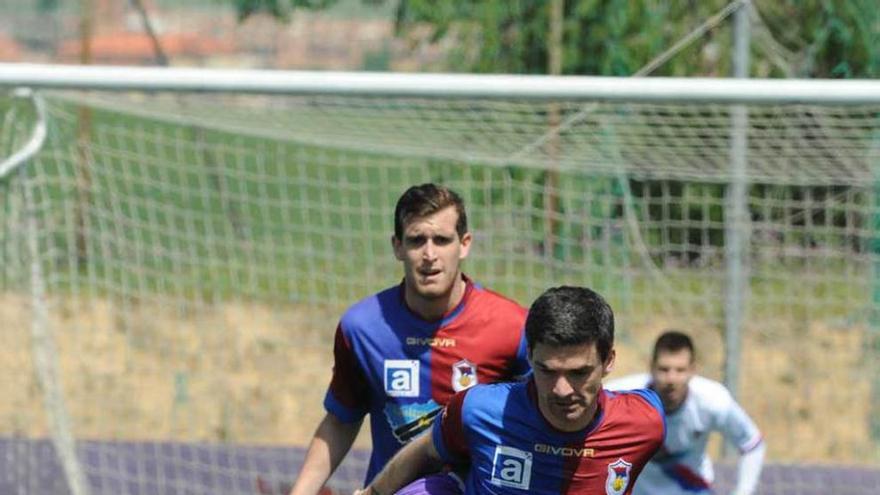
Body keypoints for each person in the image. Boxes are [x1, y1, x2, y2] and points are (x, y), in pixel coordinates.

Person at [289, 183, 531, 495]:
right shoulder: (362, 328)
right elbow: (341, 420)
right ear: (398, 246)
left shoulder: (512, 326)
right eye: (417, 240)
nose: (430, 254)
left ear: (464, 244)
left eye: (442, 240)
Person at [356, 286, 666, 495]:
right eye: (547, 370)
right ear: (529, 355)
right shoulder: (479, 410)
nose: (561, 390)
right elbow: (428, 449)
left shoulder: (645, 423)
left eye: (579, 372)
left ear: (609, 361)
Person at [605, 330, 765, 495]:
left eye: (680, 370)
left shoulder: (713, 402)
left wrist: (743, 491)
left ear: (692, 370)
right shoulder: (618, 398)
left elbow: (752, 444)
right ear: (651, 368)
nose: (671, 379)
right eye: (664, 369)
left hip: (692, 489)